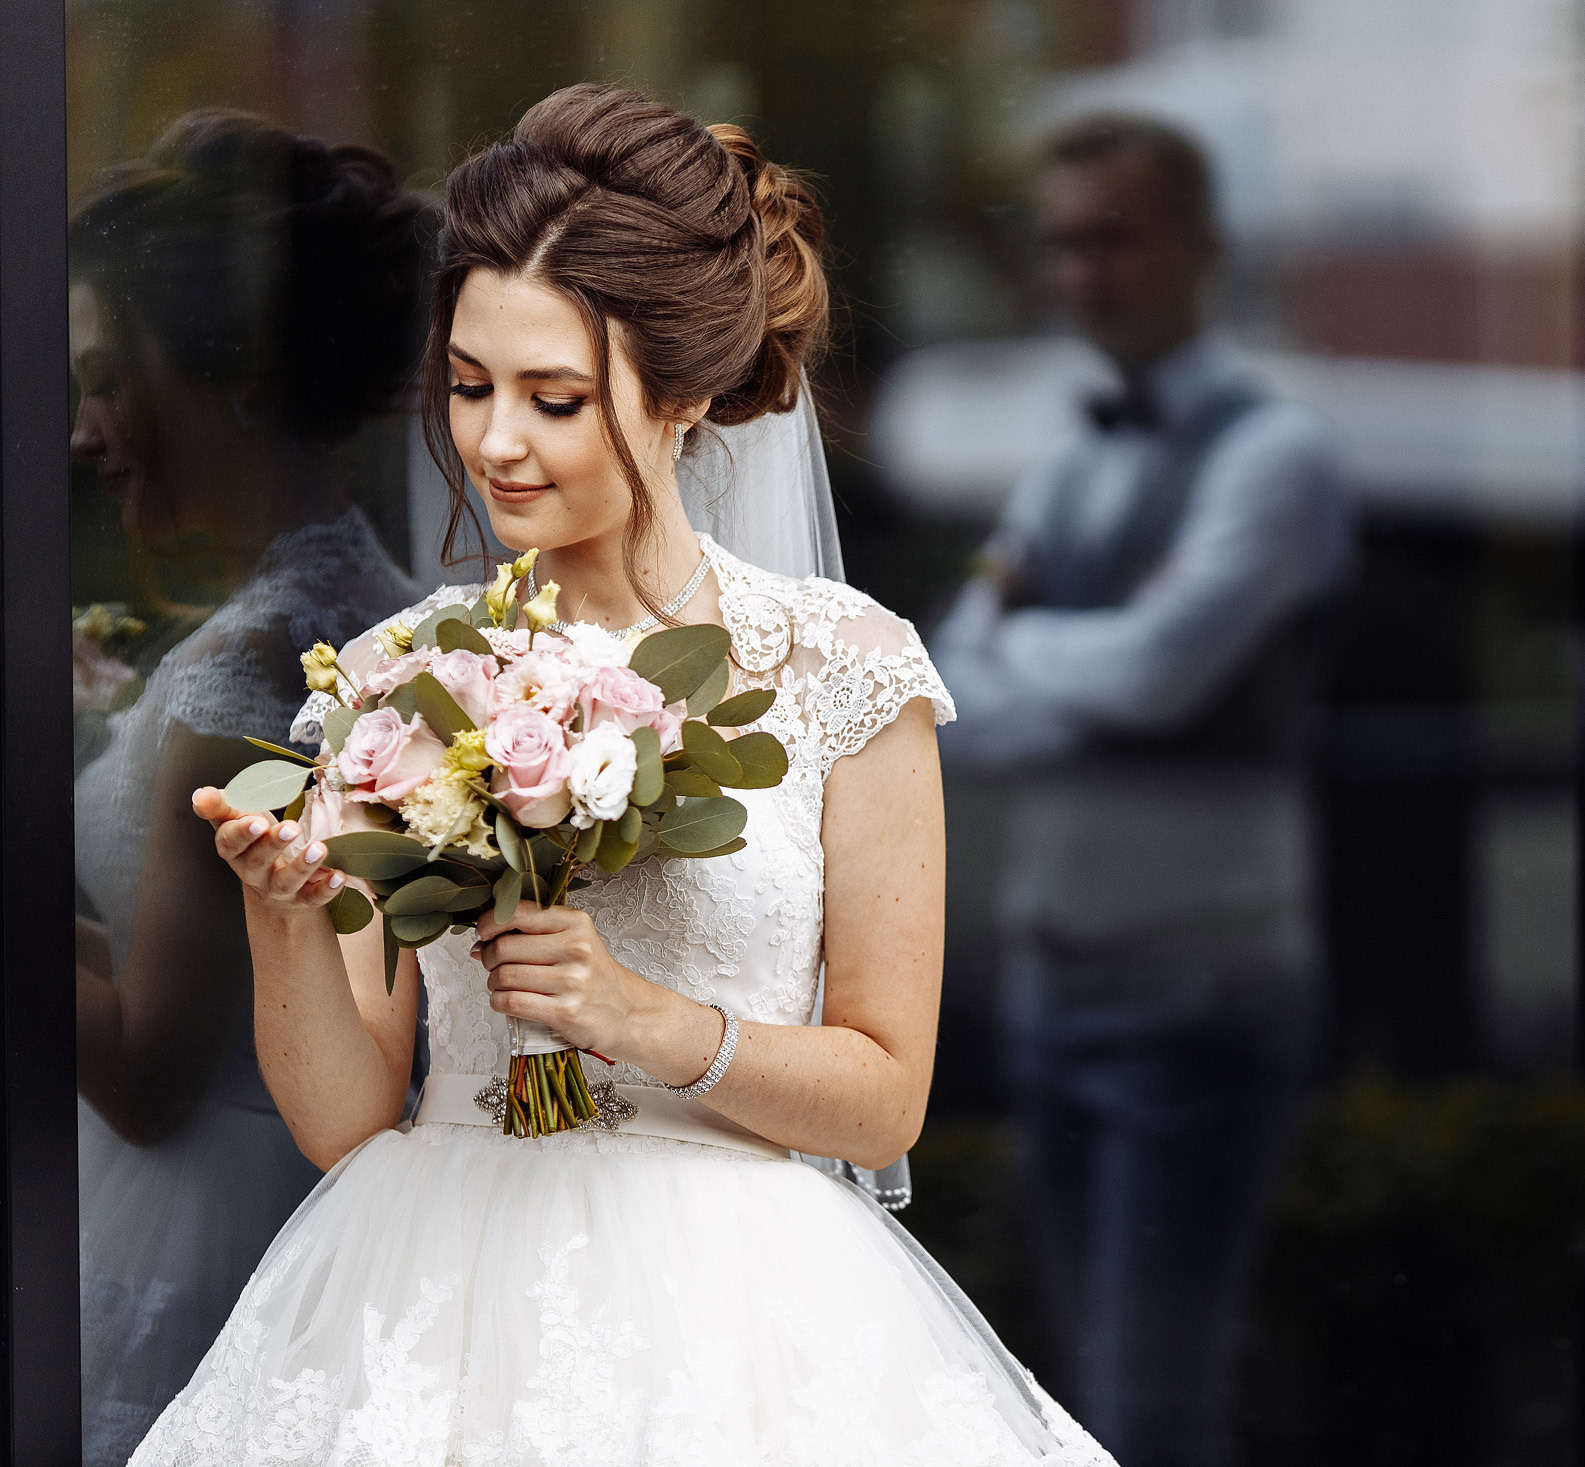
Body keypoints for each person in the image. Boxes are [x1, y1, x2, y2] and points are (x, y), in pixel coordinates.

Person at [135, 84, 1113, 1466]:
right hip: (431, 1293)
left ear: (687, 394)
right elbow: (347, 1120)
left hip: (749, 1320)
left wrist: (646, 1021)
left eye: (555, 398)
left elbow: (888, 1092)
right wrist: (282, 915)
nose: (495, 443)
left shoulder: (842, 668)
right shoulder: (396, 674)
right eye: (469, 386)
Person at [929, 114, 1350, 1467]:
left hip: (1200, 988)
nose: (1085, 274)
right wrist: (1091, 662)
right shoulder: (1066, 470)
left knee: (1152, 1409)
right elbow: (948, 681)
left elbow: (1165, 675)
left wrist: (1041, 653)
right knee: (1080, 1399)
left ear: (1202, 251)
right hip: (1060, 976)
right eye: (1064, 244)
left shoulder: (1274, 460)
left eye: (1115, 238)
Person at [68, 110, 424, 1465]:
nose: (91, 434)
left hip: (211, 1212)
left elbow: (154, 1073)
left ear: (223, 375)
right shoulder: (360, 605)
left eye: (110, 380)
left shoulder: (244, 675)